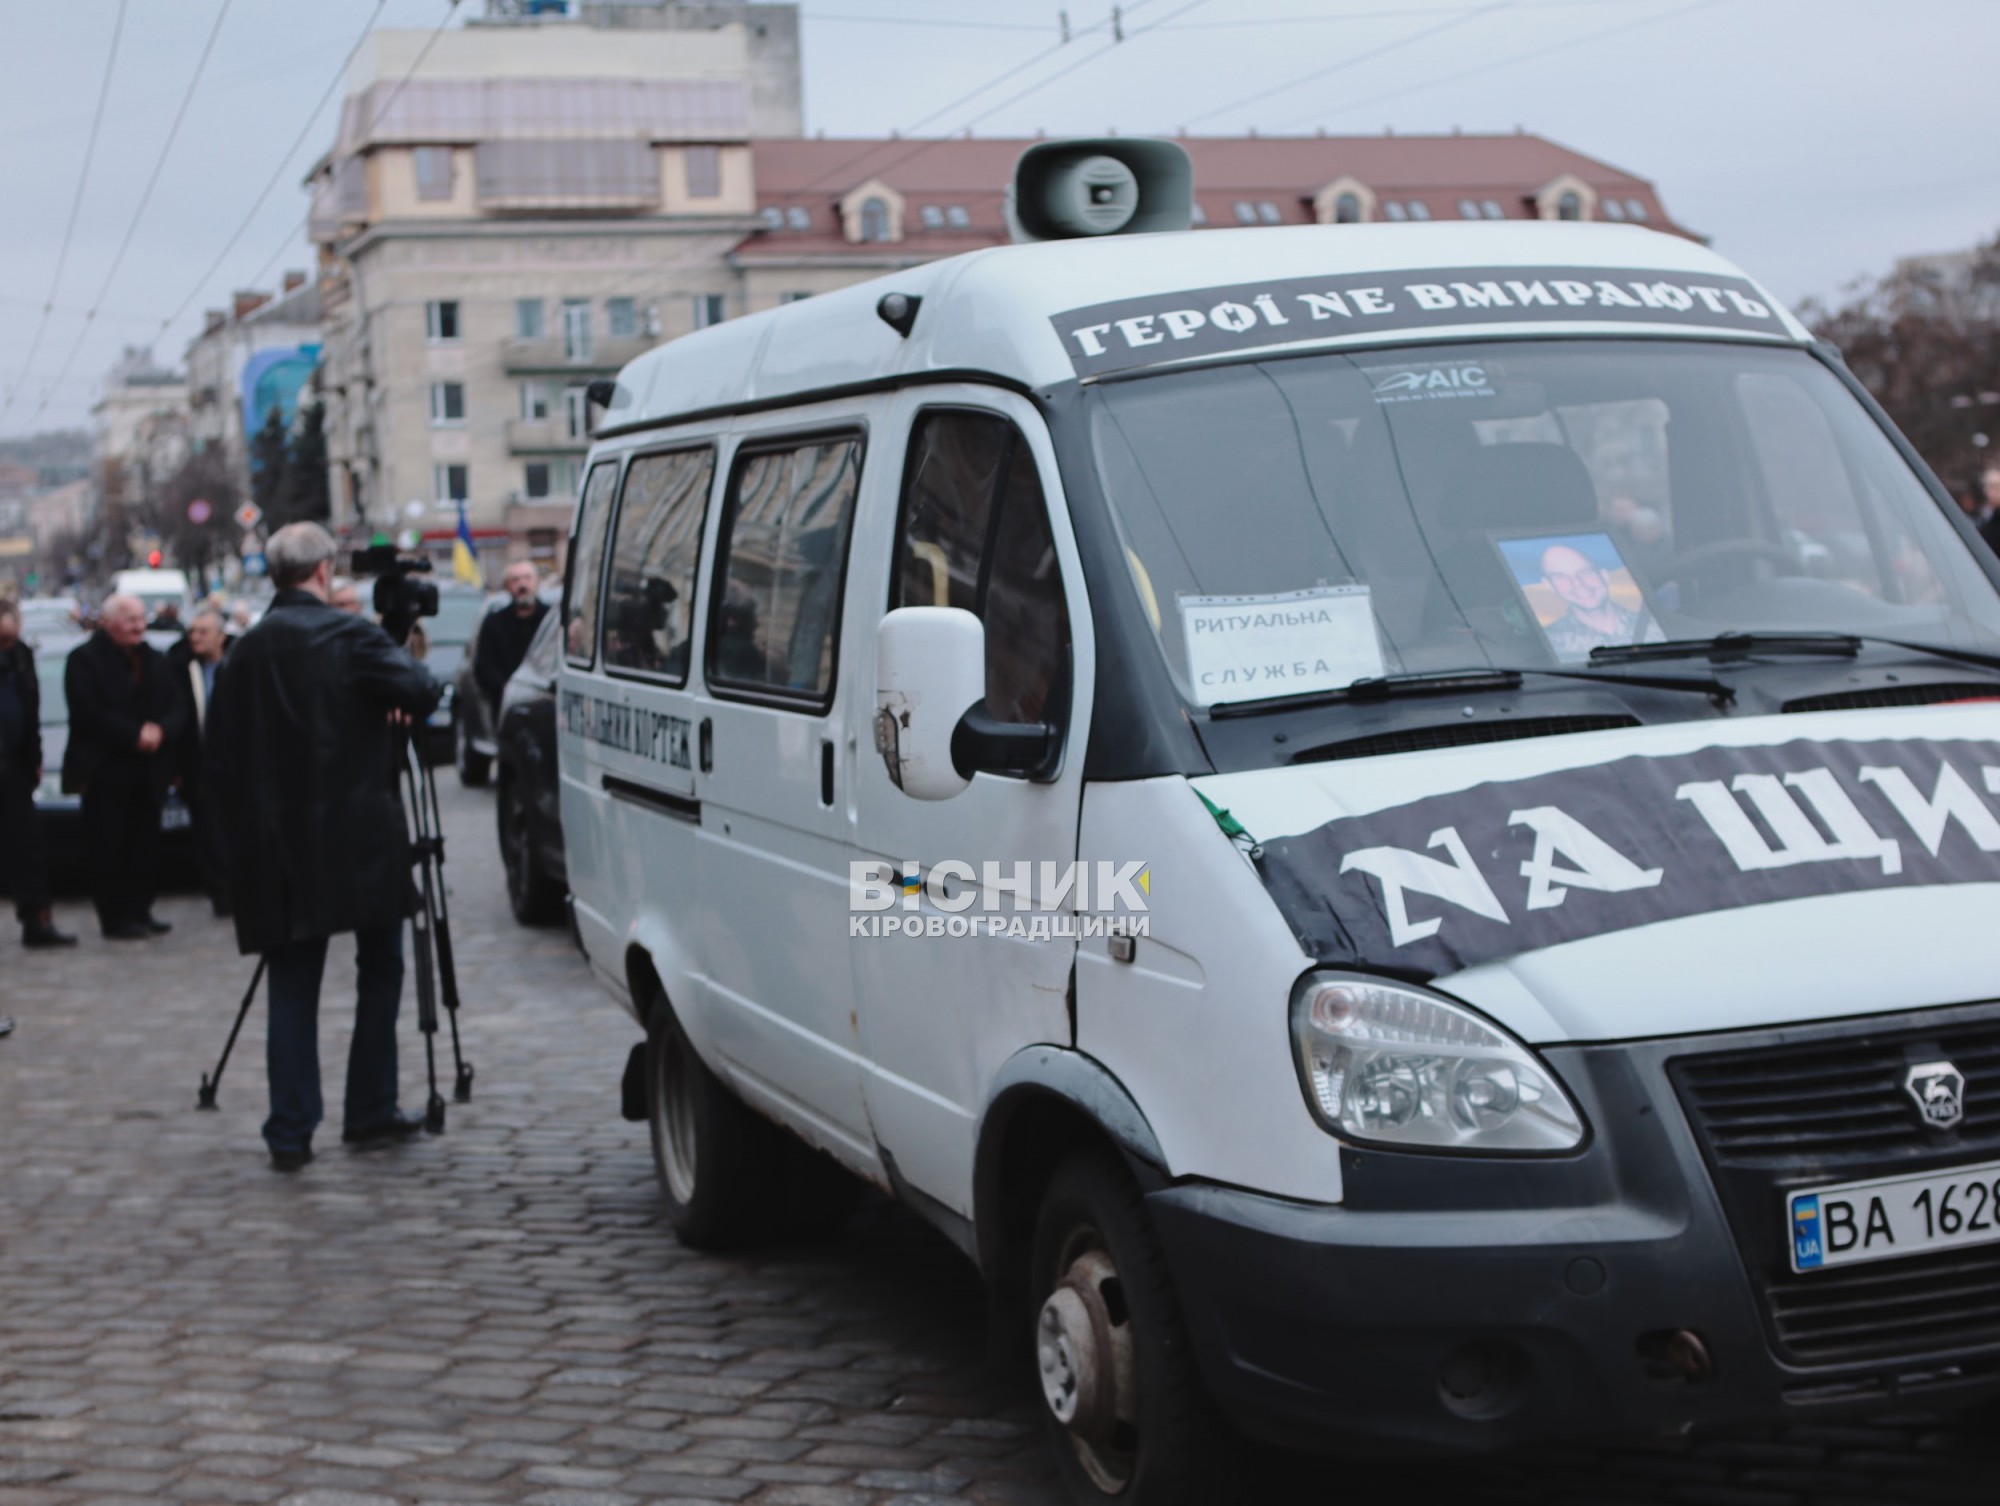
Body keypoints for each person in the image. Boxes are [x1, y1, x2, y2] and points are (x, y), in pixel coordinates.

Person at [208, 522, 442, 1172]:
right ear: (321, 573)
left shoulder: (244, 651)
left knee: (293, 984)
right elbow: (422, 692)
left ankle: (291, 1130)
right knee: (381, 969)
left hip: (276, 847)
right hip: (358, 836)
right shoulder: (349, 635)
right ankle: (368, 1110)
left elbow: (217, 759)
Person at [63, 594, 182, 939]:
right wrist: (134, 734)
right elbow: (88, 711)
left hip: (149, 769)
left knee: (145, 844)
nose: (138, 626)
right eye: (129, 620)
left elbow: (177, 705)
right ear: (108, 622)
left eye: (140, 619)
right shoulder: (84, 660)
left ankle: (141, 909)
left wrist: (162, 730)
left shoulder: (155, 659)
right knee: (109, 846)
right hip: (106, 770)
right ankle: (115, 917)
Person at [0, 602, 75, 949]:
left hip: (15, 765)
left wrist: (35, 759)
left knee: (28, 846)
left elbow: (31, 715)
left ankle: (37, 919)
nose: (8, 644)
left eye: (11, 638)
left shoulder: (22, 656)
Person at [167, 607, 231, 914]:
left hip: (235, 763)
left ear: (221, 636)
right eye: (192, 631)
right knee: (209, 832)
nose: (195, 637)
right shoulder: (181, 667)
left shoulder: (236, 664)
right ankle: (222, 893)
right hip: (199, 762)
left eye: (203, 632)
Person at [1535, 543, 1658, 662]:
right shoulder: (1546, 643)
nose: (1578, 583)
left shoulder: (1658, 624)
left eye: (1585, 572)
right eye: (1561, 577)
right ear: (1549, 586)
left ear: (1604, 575)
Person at [473, 562, 548, 718]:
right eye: (515, 580)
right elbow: (483, 666)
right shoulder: (494, 623)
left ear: (537, 582)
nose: (522, 584)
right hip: (507, 710)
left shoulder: (550, 620)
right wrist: (507, 689)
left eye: (527, 578)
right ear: (507, 586)